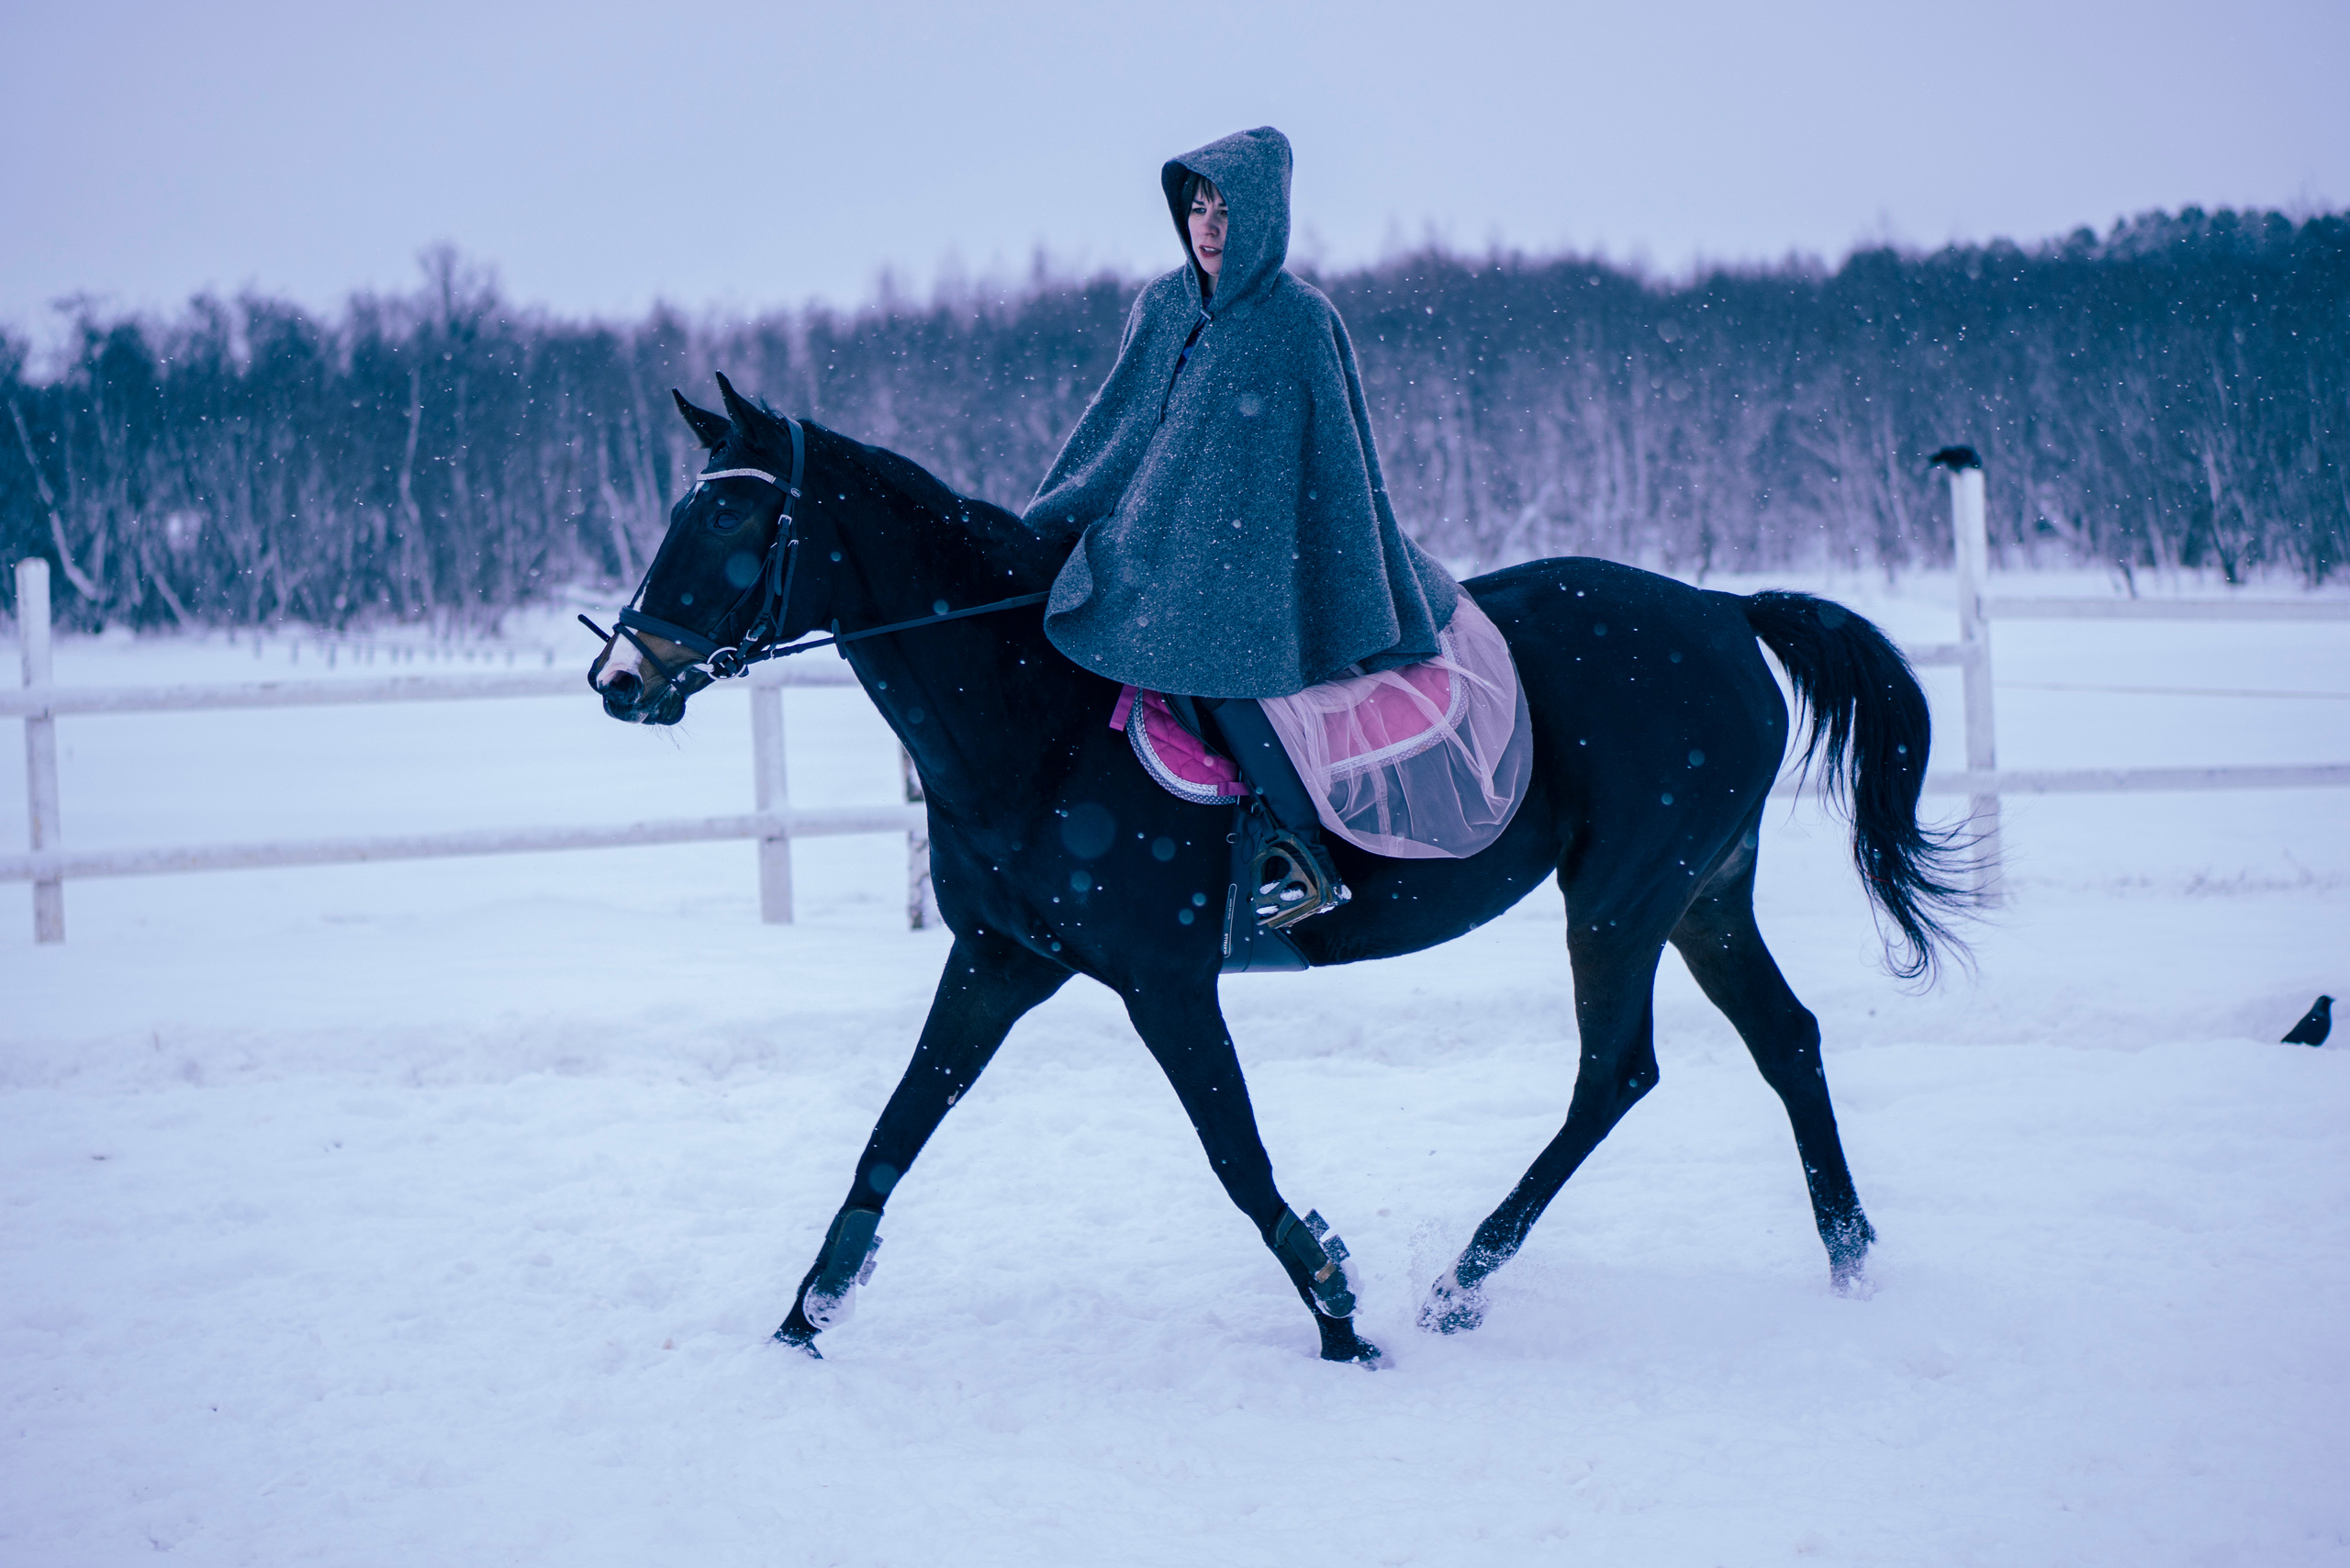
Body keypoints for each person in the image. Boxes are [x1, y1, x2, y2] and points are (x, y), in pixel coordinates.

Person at [1024, 126, 1461, 927]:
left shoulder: (1298, 322)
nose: (1210, 228)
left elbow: (1327, 467)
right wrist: (1060, 523)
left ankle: (1294, 851)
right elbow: (1121, 431)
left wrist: (1219, 557)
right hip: (1151, 551)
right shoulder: (1161, 305)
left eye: (1228, 210)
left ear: (1265, 218)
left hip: (1264, 564)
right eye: (1198, 207)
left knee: (1219, 664)